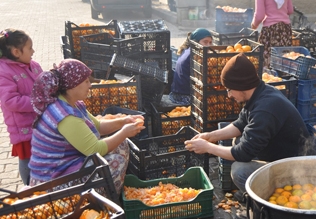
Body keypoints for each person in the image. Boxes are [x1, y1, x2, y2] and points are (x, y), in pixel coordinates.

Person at [184, 53, 311, 219]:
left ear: (241, 85)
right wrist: (210, 136)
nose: (229, 95)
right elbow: (240, 123)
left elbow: (242, 153)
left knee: (240, 170)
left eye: (229, 89)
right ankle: (257, 194)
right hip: (281, 158)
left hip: (295, 171)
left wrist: (208, 147)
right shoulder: (261, 93)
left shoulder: (265, 109)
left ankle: (268, 211)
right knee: (238, 140)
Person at [28, 59, 145, 192]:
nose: (90, 85)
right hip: (52, 183)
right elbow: (96, 149)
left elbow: (98, 126)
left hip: (67, 166)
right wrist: (124, 132)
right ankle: (104, 203)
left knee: (121, 145)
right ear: (72, 85)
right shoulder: (65, 116)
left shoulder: (73, 103)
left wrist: (124, 121)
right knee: (114, 161)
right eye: (86, 81)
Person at [0, 28, 43, 185]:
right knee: (27, 159)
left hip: (40, 123)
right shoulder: (3, 71)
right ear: (17, 52)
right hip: (23, 128)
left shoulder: (34, 65)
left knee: (41, 156)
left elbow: (43, 84)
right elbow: (10, 100)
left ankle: (42, 183)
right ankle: (28, 187)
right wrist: (39, 101)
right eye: (29, 48)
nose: (33, 51)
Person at [166, 28, 213, 106]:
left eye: (210, 42)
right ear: (195, 42)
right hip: (184, 97)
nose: (208, 45)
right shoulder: (195, 56)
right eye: (205, 42)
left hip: (176, 94)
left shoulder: (187, 50)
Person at [251, 0, 294, 69]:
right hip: (285, 29)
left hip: (270, 30)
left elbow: (259, 15)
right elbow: (290, 10)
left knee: (268, 62)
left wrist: (254, 25)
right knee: (284, 59)